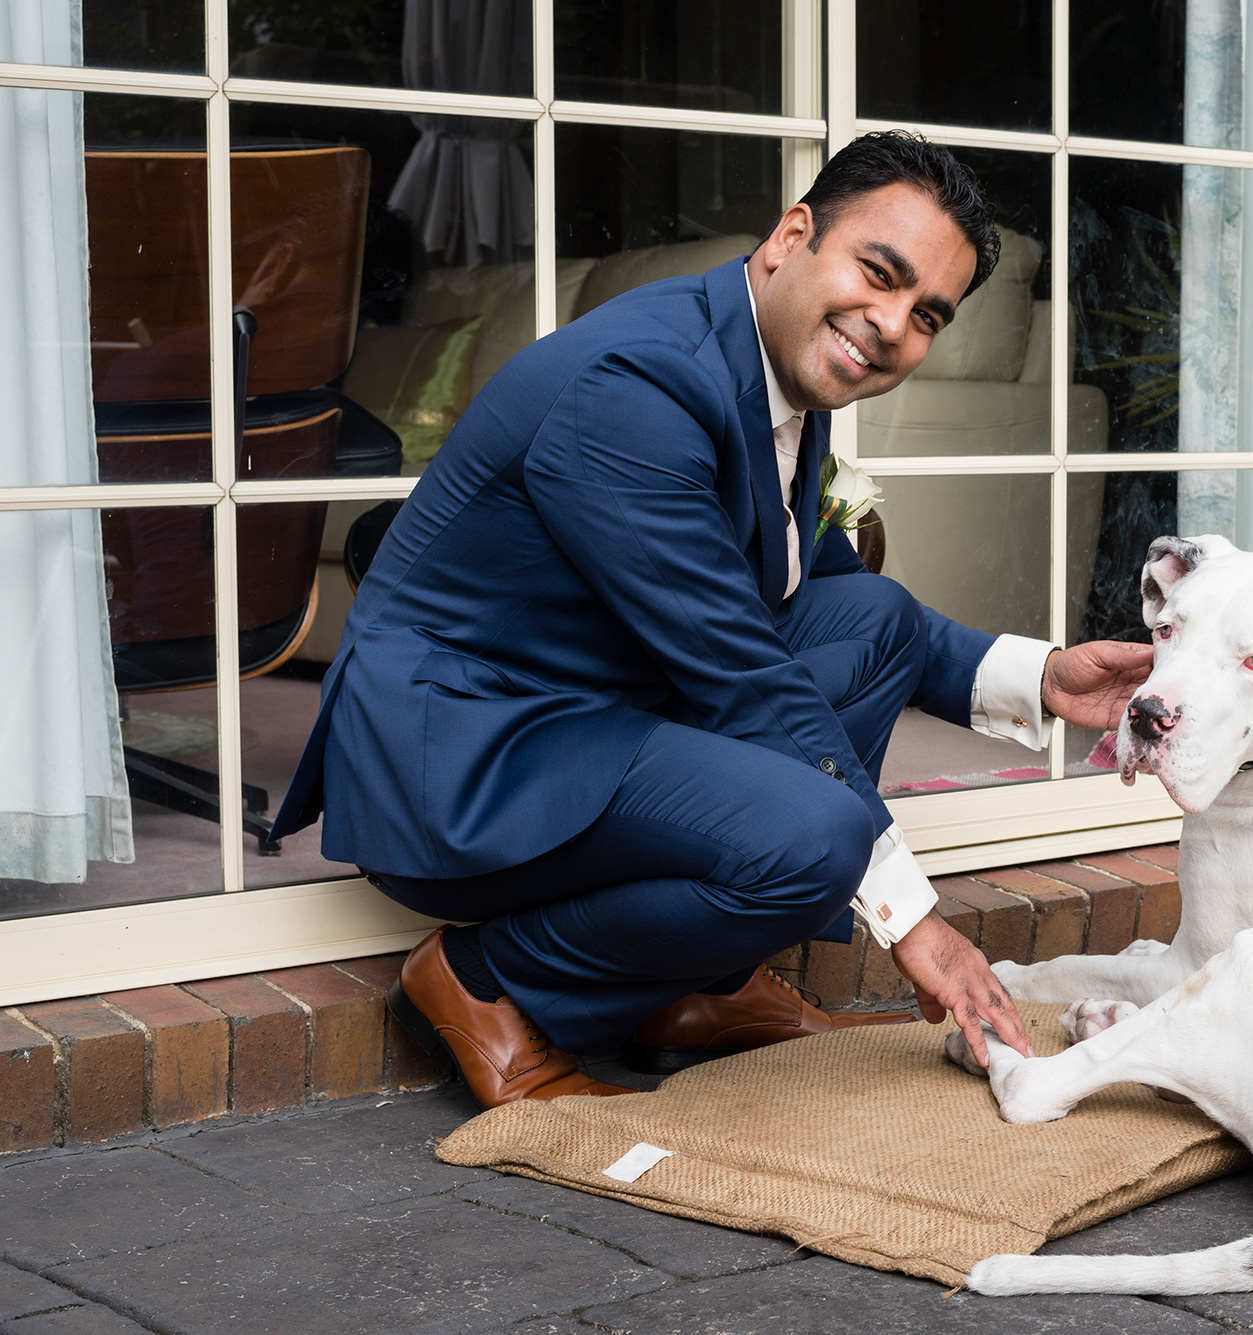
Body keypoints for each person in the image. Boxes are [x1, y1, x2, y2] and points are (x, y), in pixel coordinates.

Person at [271, 131, 1152, 1108]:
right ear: (790, 237)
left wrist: (1043, 678)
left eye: (926, 313)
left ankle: (688, 992)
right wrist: (912, 921)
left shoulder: (767, 363)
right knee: (814, 836)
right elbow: (740, 671)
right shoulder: (635, 389)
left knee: (869, 619)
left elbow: (806, 584)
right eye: (878, 272)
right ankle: (490, 982)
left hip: (585, 711)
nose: (892, 324)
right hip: (467, 762)